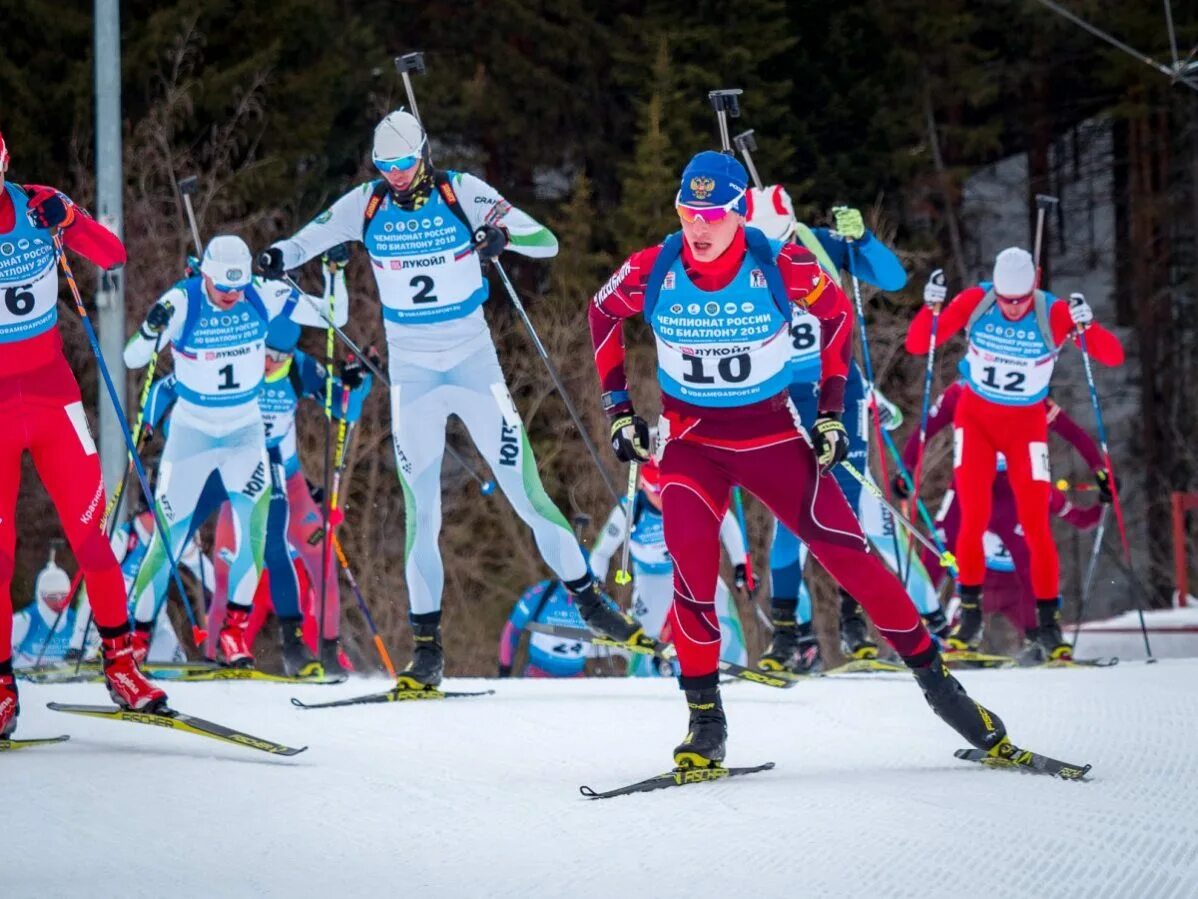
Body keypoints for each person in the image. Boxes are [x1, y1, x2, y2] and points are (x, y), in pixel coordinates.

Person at [588, 150, 1008, 768]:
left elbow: (836, 318)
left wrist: (832, 411)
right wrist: (619, 407)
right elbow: (601, 311)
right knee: (692, 576)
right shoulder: (653, 268)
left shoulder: (780, 263)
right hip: (691, 447)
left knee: (851, 556)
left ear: (739, 213)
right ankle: (705, 723)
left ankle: (946, 692)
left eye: (712, 214)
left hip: (772, 441)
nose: (698, 227)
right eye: (687, 212)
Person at [260, 110, 650, 691]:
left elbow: (546, 242)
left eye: (403, 162)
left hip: (472, 364)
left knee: (527, 494)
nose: (395, 174)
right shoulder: (366, 204)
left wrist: (500, 236)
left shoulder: (460, 192)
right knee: (422, 513)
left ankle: (591, 604)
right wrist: (276, 256)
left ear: (423, 154)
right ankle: (426, 652)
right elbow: (304, 241)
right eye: (385, 165)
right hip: (413, 374)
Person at [0, 130, 165, 736]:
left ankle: (121, 666)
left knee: (93, 538)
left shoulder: (38, 204)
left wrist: (69, 219)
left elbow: (112, 254)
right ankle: (2, 687)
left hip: (53, 400)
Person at [747, 185, 942, 673]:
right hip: (780, 397)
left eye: (783, 240)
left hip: (838, 392)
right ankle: (787, 638)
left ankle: (856, 628)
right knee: (789, 517)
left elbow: (893, 279)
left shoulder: (819, 245)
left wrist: (863, 240)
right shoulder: (740, 256)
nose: (776, 252)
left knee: (847, 513)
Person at [905, 257, 1124, 657]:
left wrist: (1087, 325)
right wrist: (930, 308)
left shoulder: (1053, 313)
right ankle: (970, 618)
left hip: (1026, 429)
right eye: (1006, 299)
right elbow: (920, 344)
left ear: (1034, 286)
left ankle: (1048, 627)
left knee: (1037, 526)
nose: (1012, 308)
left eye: (1020, 300)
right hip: (976, 424)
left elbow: (1111, 357)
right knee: (971, 520)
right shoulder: (976, 302)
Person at [124, 235, 316, 668]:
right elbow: (133, 357)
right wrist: (152, 328)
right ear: (205, 275)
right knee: (168, 538)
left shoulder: (261, 294)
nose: (231, 295)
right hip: (191, 436)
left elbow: (332, 315)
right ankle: (136, 637)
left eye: (238, 286)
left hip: (244, 435)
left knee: (255, 533)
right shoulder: (183, 300)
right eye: (223, 287)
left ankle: (233, 633)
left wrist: (319, 277)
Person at [205, 311, 372, 676]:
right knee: (226, 570)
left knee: (321, 559)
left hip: (287, 479)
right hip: (240, 480)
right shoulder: (236, 359)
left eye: (280, 357)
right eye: (266, 353)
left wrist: (358, 381)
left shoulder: (300, 368)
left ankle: (326, 650)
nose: (270, 362)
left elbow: (345, 408)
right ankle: (213, 652)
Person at [896, 382, 1107, 658]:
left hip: (1011, 493)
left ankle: (1044, 633)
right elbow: (926, 428)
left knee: (1030, 555)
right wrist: (907, 467)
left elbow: (1072, 432)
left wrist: (1100, 469)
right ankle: (919, 632)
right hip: (969, 487)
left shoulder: (1025, 389)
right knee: (938, 547)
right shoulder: (959, 392)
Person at [589, 457, 749, 674]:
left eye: (667, 490)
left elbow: (726, 522)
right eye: (656, 491)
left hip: (692, 572)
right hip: (652, 579)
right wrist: (596, 582)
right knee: (644, 634)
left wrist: (740, 563)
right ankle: (645, 679)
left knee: (722, 605)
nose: (663, 499)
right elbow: (601, 552)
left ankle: (736, 670)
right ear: (643, 486)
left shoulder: (687, 495)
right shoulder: (629, 511)